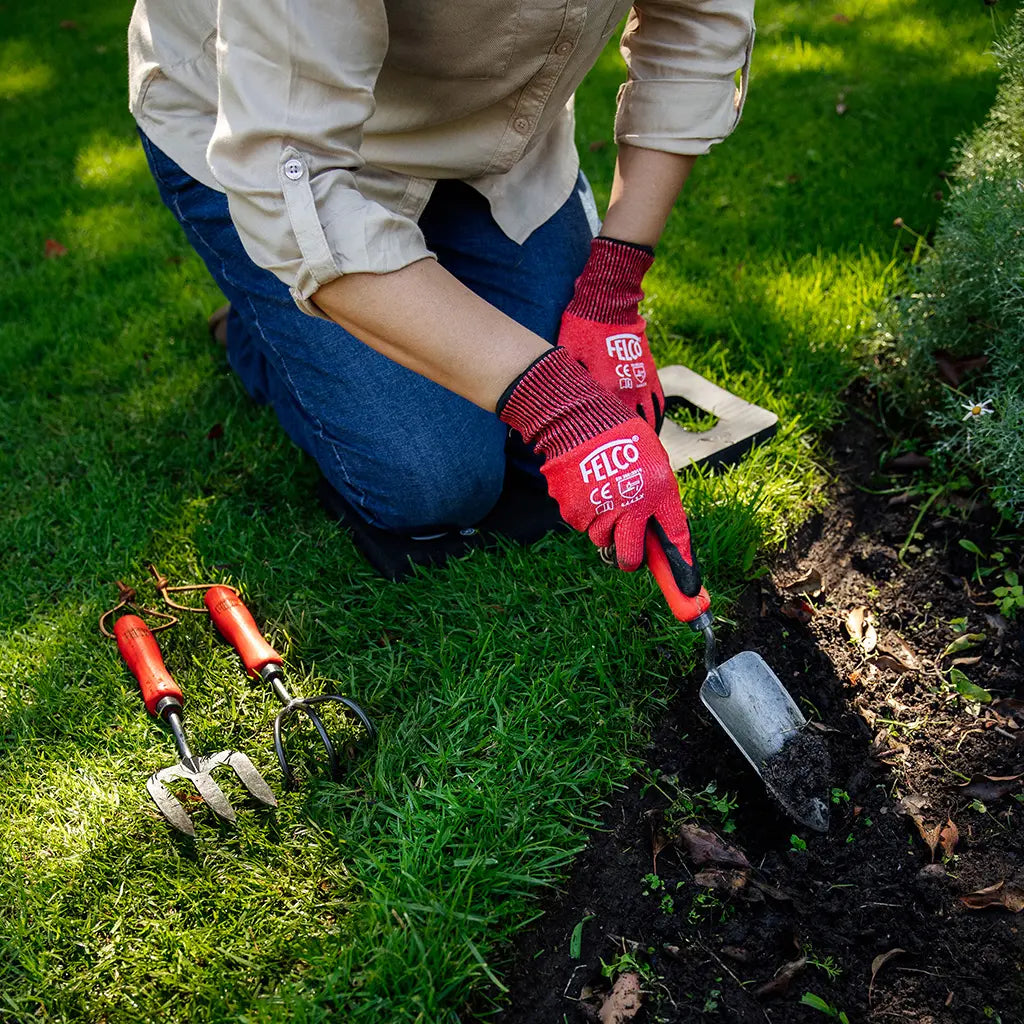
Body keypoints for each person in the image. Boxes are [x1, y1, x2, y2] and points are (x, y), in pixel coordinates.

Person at [128, 0, 755, 584]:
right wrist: (559, 404)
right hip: (269, 147)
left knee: (539, 462)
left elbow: (695, 28)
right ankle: (266, 329)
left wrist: (611, 287)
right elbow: (296, 181)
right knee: (440, 483)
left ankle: (363, 312)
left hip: (492, 147)